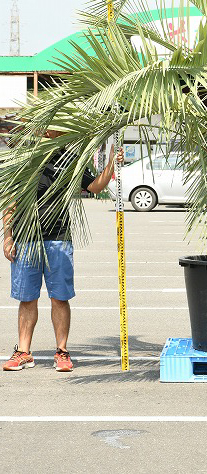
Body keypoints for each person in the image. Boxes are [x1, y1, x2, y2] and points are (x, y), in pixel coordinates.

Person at [2, 131, 123, 372]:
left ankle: (62, 351)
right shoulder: (25, 158)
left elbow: (95, 186)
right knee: (27, 298)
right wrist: (7, 236)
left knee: (59, 297)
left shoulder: (68, 160)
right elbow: (11, 201)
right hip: (26, 238)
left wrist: (111, 161)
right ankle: (24, 352)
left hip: (58, 238)